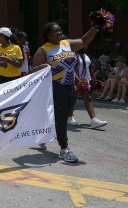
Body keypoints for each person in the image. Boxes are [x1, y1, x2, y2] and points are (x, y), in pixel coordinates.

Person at [32, 22, 100, 163]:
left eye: (60, 31)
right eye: (56, 31)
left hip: (70, 86)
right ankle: (64, 148)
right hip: (55, 87)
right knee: (62, 117)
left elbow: (84, 41)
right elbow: (33, 71)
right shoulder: (43, 50)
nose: (59, 33)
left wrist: (95, 27)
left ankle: (43, 133)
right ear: (47, 35)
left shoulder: (67, 43)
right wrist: (41, 67)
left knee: (61, 115)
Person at [68, 48, 107, 129]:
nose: (86, 45)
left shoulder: (86, 55)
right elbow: (71, 69)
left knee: (88, 98)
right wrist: (78, 80)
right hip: (75, 79)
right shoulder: (72, 54)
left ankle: (94, 120)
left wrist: (94, 79)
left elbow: (88, 68)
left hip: (86, 80)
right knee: (73, 98)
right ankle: (70, 117)